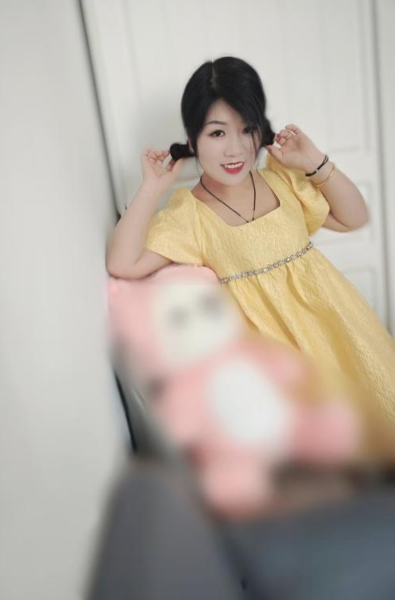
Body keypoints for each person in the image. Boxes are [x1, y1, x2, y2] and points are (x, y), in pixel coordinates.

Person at [106, 56, 395, 462]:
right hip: (279, 358)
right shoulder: (189, 215)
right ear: (192, 139)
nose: (236, 148)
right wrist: (152, 188)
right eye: (217, 133)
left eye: (246, 129)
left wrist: (314, 161)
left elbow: (354, 217)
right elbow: (123, 263)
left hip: (339, 328)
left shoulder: (282, 179)